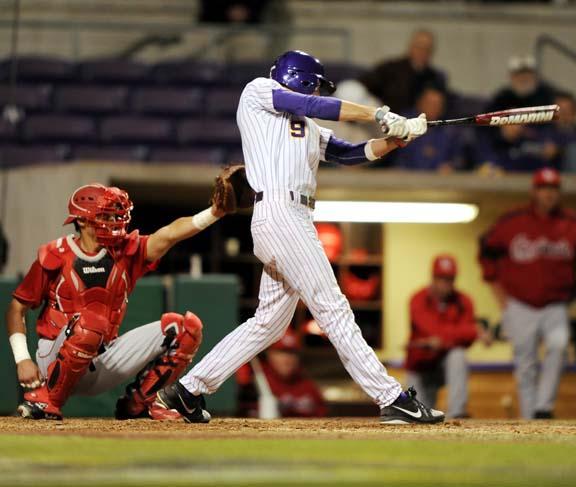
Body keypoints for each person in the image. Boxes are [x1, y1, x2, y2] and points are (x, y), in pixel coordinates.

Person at [156, 49, 443, 425]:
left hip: (293, 218)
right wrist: (378, 114)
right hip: (280, 212)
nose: (319, 93)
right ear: (303, 78)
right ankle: (391, 397)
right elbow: (312, 103)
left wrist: (395, 140)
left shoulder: (307, 126)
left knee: (268, 323)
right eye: (318, 86)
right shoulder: (258, 91)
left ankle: (187, 391)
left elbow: (351, 153)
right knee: (332, 307)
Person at [6, 183, 227, 421]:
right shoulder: (55, 254)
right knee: (91, 322)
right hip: (53, 359)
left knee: (184, 329)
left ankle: (140, 404)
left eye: (115, 214)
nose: (114, 220)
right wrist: (22, 359)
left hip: (102, 356)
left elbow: (169, 234)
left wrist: (214, 212)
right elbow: (16, 309)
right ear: (81, 220)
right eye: (105, 215)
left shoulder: (125, 250)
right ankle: (45, 400)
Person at [478, 168, 576, 419]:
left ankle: (543, 408)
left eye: (553, 189)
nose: (548, 194)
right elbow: (485, 249)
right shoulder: (513, 220)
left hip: (555, 304)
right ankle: (531, 417)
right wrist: (499, 296)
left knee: (559, 345)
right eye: (543, 189)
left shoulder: (573, 222)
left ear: (558, 192)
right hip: (519, 303)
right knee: (526, 362)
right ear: (534, 191)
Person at [405, 255, 490, 418]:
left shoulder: (464, 301)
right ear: (433, 277)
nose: (446, 283)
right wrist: (472, 331)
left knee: (458, 355)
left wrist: (449, 337)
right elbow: (434, 331)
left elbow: (462, 339)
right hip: (420, 368)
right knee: (418, 420)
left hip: (444, 366)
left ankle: (458, 413)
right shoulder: (418, 299)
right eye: (442, 278)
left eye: (450, 278)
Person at [236, 329, 327, 418]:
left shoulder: (306, 384)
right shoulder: (256, 381)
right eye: (281, 352)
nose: (287, 359)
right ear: (269, 354)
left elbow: (322, 414)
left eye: (291, 353)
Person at [359, 30, 447, 114]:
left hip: (415, 121)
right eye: (419, 46)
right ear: (411, 47)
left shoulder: (434, 77)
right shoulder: (390, 68)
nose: (422, 52)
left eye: (426, 48)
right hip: (384, 117)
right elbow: (366, 85)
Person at [391, 87, 466, 172]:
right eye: (430, 104)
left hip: (439, 179)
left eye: (438, 105)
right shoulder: (405, 125)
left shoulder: (450, 132)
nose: (434, 108)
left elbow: (459, 159)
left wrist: (451, 166)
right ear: (419, 104)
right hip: (406, 176)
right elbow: (395, 157)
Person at [487, 56, 555, 112]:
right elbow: (484, 123)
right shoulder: (502, 98)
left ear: (535, 76)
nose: (523, 79)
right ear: (511, 77)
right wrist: (503, 127)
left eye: (527, 75)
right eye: (518, 75)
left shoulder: (547, 96)